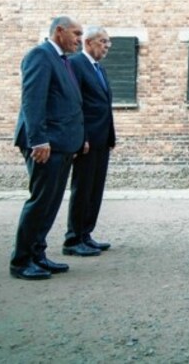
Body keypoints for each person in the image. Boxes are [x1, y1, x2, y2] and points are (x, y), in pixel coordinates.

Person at [11, 16, 84, 280]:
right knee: (41, 201)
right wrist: (38, 140)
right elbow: (33, 101)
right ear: (59, 31)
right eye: (76, 33)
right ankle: (21, 261)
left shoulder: (63, 61)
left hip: (61, 143)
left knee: (51, 203)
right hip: (45, 144)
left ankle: (38, 255)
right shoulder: (40, 56)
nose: (79, 39)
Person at [63, 26, 116, 256]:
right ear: (88, 42)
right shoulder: (76, 64)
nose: (106, 46)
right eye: (103, 42)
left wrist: (111, 136)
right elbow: (75, 104)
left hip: (102, 139)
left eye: (108, 43)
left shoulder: (99, 69)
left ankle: (86, 234)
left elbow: (104, 106)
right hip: (86, 141)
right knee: (82, 189)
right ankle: (73, 239)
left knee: (95, 189)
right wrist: (81, 137)